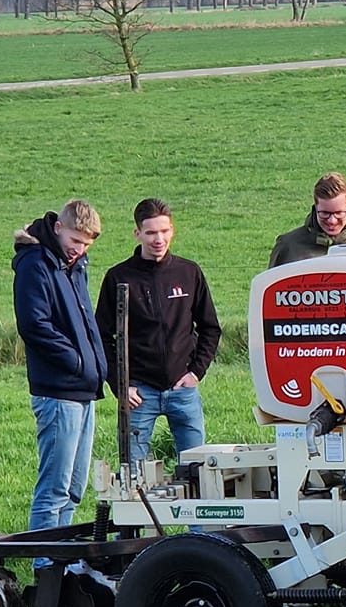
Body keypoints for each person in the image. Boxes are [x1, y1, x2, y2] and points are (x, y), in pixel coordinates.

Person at [97, 198, 222, 463]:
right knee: (133, 474)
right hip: (139, 394)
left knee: (197, 469)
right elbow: (101, 336)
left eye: (164, 231)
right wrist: (120, 385)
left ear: (172, 230)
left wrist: (196, 372)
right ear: (138, 233)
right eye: (151, 232)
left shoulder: (189, 272)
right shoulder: (118, 278)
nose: (158, 239)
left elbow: (210, 327)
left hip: (183, 390)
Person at [13, 199, 108, 540]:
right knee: (54, 487)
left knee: (74, 488)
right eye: (75, 242)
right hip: (57, 391)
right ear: (58, 228)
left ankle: (61, 561)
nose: (79, 250)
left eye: (86, 244)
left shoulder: (74, 266)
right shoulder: (35, 265)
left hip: (84, 389)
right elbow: (34, 325)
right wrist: (79, 361)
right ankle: (44, 566)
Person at [270, 171, 346, 267]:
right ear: (315, 206)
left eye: (339, 213)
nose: (332, 221)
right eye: (324, 213)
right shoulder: (288, 246)